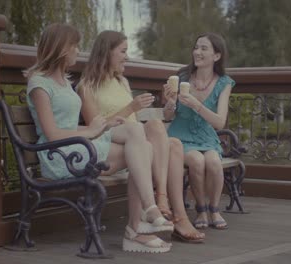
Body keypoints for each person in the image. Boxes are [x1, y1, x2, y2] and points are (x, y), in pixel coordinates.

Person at [25, 23, 173, 253]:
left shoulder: (64, 81)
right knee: (140, 150)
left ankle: (147, 213)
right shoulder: (39, 84)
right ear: (62, 48)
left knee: (137, 137)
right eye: (74, 46)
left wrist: (102, 126)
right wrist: (91, 131)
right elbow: (52, 133)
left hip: (79, 145)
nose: (77, 50)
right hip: (60, 154)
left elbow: (70, 124)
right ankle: (138, 225)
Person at [77, 30, 205, 243]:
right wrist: (130, 108)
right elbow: (95, 127)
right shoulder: (86, 86)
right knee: (159, 133)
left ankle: (170, 209)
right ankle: (168, 209)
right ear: (106, 53)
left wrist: (168, 104)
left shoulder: (122, 82)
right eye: (123, 51)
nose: (127, 57)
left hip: (137, 143)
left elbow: (137, 121)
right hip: (115, 146)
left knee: (172, 142)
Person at [163, 33, 235, 230]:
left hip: (206, 136)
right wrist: (169, 102)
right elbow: (168, 116)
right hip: (180, 136)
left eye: (204, 48)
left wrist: (196, 104)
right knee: (196, 160)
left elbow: (219, 123)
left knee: (213, 162)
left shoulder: (224, 83)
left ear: (217, 56)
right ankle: (201, 209)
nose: (197, 52)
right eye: (196, 47)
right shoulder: (181, 77)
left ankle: (214, 209)